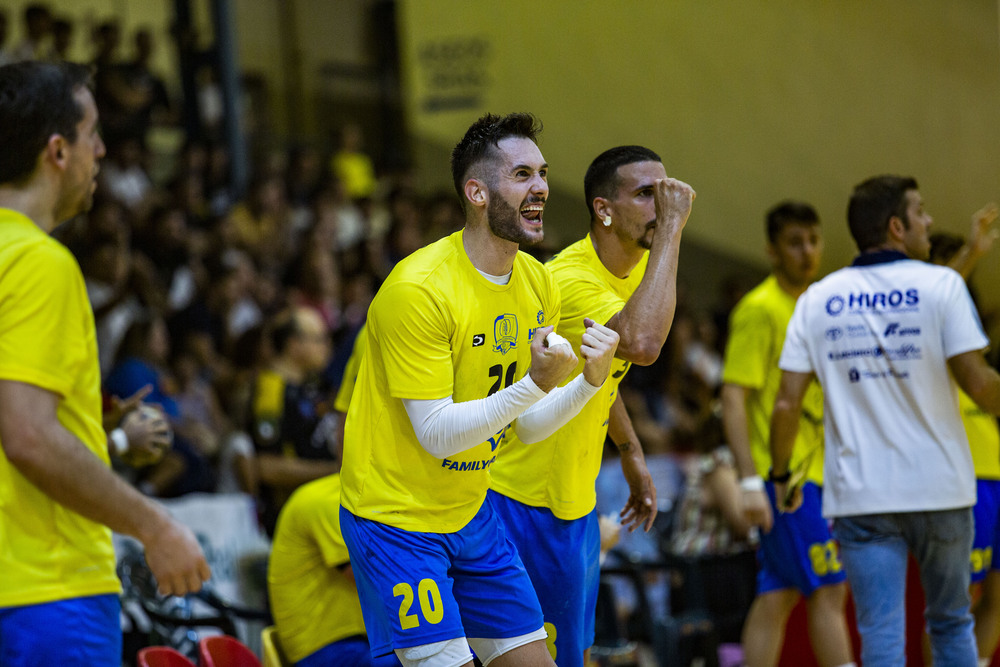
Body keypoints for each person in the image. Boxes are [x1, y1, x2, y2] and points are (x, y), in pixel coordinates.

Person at [338, 112, 619, 667]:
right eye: (521, 174)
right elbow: (437, 434)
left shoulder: (537, 281)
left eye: (542, 173)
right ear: (477, 192)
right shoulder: (418, 290)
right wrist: (536, 383)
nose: (540, 187)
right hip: (397, 518)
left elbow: (527, 427)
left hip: (471, 511)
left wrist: (590, 382)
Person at [0, 61, 209, 665]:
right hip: (46, 590)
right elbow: (29, 436)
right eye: (92, 133)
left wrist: (108, 437)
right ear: (57, 150)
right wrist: (155, 525)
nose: (103, 149)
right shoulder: (37, 262)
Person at [770, 175, 1000, 666]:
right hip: (942, 490)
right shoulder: (943, 286)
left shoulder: (818, 298)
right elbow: (980, 386)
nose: (930, 222)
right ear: (897, 226)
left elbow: (786, 403)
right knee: (952, 624)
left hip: (862, 497)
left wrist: (778, 474)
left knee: (880, 633)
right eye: (921, 212)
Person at [488, 145, 693, 666]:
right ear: (603, 209)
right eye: (645, 194)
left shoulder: (640, 268)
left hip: (574, 502)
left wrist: (630, 449)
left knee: (574, 654)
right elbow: (642, 345)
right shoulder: (570, 280)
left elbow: (605, 373)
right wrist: (672, 229)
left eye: (663, 192)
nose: (659, 204)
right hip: (523, 500)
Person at [720, 201, 853, 667]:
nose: (807, 251)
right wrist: (751, 481)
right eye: (795, 243)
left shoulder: (819, 305)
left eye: (813, 241)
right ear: (772, 251)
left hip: (818, 471)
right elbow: (733, 397)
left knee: (778, 595)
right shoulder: (759, 310)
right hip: (785, 479)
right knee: (830, 587)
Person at [928, 209, 1000, 667]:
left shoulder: (969, 331)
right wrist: (973, 252)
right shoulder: (920, 320)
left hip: (995, 471)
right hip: (961, 478)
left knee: (996, 597)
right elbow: (936, 298)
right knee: (955, 604)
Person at [269, 474, 402, 667]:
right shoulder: (329, 501)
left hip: (357, 639)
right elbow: (371, 579)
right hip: (323, 649)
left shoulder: (366, 500)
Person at [250, 307, 340, 535]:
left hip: (319, 507)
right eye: (319, 339)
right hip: (293, 517)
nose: (326, 347)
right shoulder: (271, 389)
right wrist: (335, 471)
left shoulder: (310, 385)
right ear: (293, 344)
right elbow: (267, 467)